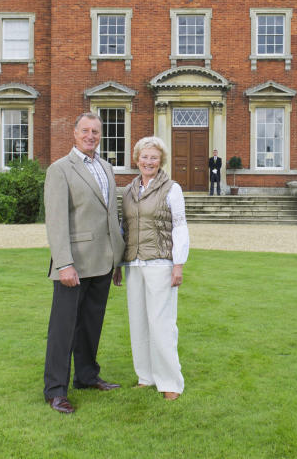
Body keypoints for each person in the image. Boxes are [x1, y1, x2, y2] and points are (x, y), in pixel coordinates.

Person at [42, 112, 125, 414]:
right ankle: (55, 390)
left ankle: (87, 376)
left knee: (91, 324)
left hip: (103, 262)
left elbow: (110, 215)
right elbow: (56, 220)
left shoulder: (105, 167)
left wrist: (117, 259)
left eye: (96, 131)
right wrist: (64, 263)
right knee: (64, 329)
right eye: (85, 131)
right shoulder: (60, 169)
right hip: (74, 264)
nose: (91, 136)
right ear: (74, 133)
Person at [113, 136, 189, 401]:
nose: (148, 161)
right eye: (144, 157)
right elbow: (124, 229)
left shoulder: (172, 189)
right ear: (136, 159)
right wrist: (118, 264)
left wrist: (178, 263)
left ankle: (170, 382)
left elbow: (179, 226)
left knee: (162, 324)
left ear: (161, 161)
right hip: (133, 263)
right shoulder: (129, 190)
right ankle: (145, 376)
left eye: (154, 157)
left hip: (160, 262)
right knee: (138, 322)